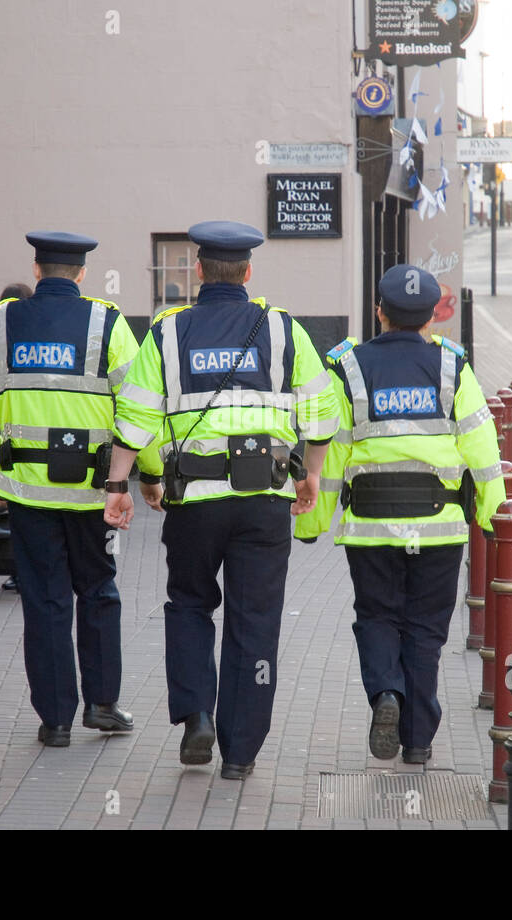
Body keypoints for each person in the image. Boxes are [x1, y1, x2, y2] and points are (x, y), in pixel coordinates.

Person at [103, 220, 339, 780]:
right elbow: (323, 416)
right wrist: (309, 477)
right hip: (265, 500)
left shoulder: (166, 332)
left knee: (188, 603)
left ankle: (195, 718)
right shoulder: (283, 331)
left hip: (195, 501)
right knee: (254, 619)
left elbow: (134, 417)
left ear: (199, 271)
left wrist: (121, 486)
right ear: (249, 273)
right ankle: (241, 752)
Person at [293, 265, 505, 764]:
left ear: (379, 312)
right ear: (433, 316)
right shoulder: (454, 368)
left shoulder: (347, 368)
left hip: (371, 527)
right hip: (439, 528)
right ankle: (417, 740)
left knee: (377, 617)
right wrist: (492, 514)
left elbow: (330, 456)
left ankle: (386, 692)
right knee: (426, 630)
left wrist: (311, 523)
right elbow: (482, 445)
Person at [0, 232, 157, 747]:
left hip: (28, 493)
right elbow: (139, 407)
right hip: (92, 495)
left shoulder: (1, 322)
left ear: (36, 270)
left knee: (45, 601)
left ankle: (54, 721)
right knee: (98, 591)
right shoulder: (108, 323)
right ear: (81, 274)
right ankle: (102, 705)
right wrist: (153, 474)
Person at [0, 281, 32, 593]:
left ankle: (23, 575)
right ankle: (21, 574)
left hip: (17, 454)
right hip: (27, 455)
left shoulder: (0, 336)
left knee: (22, 525)